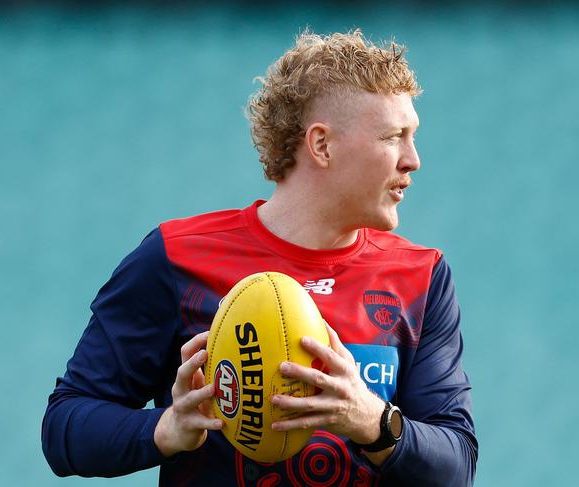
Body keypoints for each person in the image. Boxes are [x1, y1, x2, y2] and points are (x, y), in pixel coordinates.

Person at [42, 30, 477, 486]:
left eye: (413, 137)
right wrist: (163, 429)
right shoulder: (175, 257)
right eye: (394, 137)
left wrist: (369, 420)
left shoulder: (421, 276)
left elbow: (456, 467)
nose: (413, 160)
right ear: (322, 145)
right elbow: (65, 426)